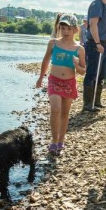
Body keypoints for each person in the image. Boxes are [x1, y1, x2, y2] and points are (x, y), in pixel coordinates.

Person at [36, 14, 86, 155]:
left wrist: (77, 65)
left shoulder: (79, 49)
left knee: (64, 113)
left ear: (75, 30)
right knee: (56, 109)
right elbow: (46, 60)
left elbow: (83, 71)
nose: (65, 31)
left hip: (69, 83)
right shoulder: (53, 43)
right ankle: (53, 141)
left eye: (68, 29)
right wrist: (41, 77)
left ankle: (60, 141)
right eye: (62, 28)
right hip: (54, 81)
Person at [83, 0, 106, 112]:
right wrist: (97, 43)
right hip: (97, 44)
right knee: (92, 73)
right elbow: (93, 24)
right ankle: (88, 104)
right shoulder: (96, 4)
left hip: (104, 44)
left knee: (102, 74)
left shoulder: (104, 6)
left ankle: (96, 102)